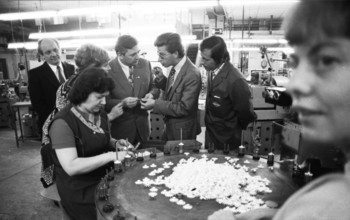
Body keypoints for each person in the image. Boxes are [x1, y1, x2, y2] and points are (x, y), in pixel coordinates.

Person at [208, 0, 350, 219]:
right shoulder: (333, 192)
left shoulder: (331, 206)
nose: (294, 86)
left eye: (326, 60)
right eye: (296, 63)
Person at [49, 67, 129, 220]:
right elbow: (71, 166)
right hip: (81, 191)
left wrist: (116, 144)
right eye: (99, 97)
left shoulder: (100, 113)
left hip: (104, 180)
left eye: (106, 97)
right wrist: (112, 155)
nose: (104, 102)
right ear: (84, 93)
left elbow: (103, 138)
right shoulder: (63, 123)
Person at [40, 43, 124, 188]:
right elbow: (76, 126)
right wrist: (111, 154)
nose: (109, 68)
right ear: (93, 66)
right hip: (68, 152)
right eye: (105, 65)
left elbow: (93, 128)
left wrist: (114, 143)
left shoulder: (96, 103)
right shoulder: (72, 92)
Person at [141, 32, 202, 141]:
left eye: (162, 55)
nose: (159, 59)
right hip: (170, 126)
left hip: (183, 130)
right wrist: (162, 80)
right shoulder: (174, 68)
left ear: (175, 53)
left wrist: (155, 104)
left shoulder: (192, 74)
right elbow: (175, 91)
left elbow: (184, 108)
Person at [199, 36, 256, 150]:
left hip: (227, 140)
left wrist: (232, 129)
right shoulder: (212, 71)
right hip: (211, 135)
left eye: (206, 59)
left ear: (220, 59)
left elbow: (246, 114)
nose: (202, 62)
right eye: (202, 58)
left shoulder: (236, 81)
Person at [106, 35, 159, 145]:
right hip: (121, 131)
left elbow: (154, 86)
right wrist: (122, 103)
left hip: (143, 128)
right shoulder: (108, 70)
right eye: (133, 55)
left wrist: (151, 94)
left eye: (138, 52)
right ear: (120, 55)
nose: (138, 57)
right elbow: (104, 101)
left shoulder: (145, 64)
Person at [28, 38, 75, 136]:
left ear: (60, 49)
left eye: (55, 50)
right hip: (51, 124)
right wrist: (58, 119)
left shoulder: (72, 69)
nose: (53, 54)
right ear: (42, 55)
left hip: (75, 121)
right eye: (48, 52)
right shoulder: (35, 75)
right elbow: (38, 105)